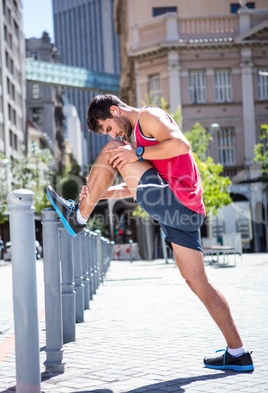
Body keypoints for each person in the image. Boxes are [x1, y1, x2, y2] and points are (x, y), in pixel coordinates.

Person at [46, 94, 254, 372]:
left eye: (109, 127)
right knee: (198, 283)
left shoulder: (149, 117)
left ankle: (78, 216)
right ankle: (238, 352)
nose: (113, 133)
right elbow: (137, 185)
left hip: (177, 201)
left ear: (115, 110)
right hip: (184, 211)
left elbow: (182, 144)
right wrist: (99, 193)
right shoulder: (139, 142)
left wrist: (137, 154)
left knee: (113, 150)